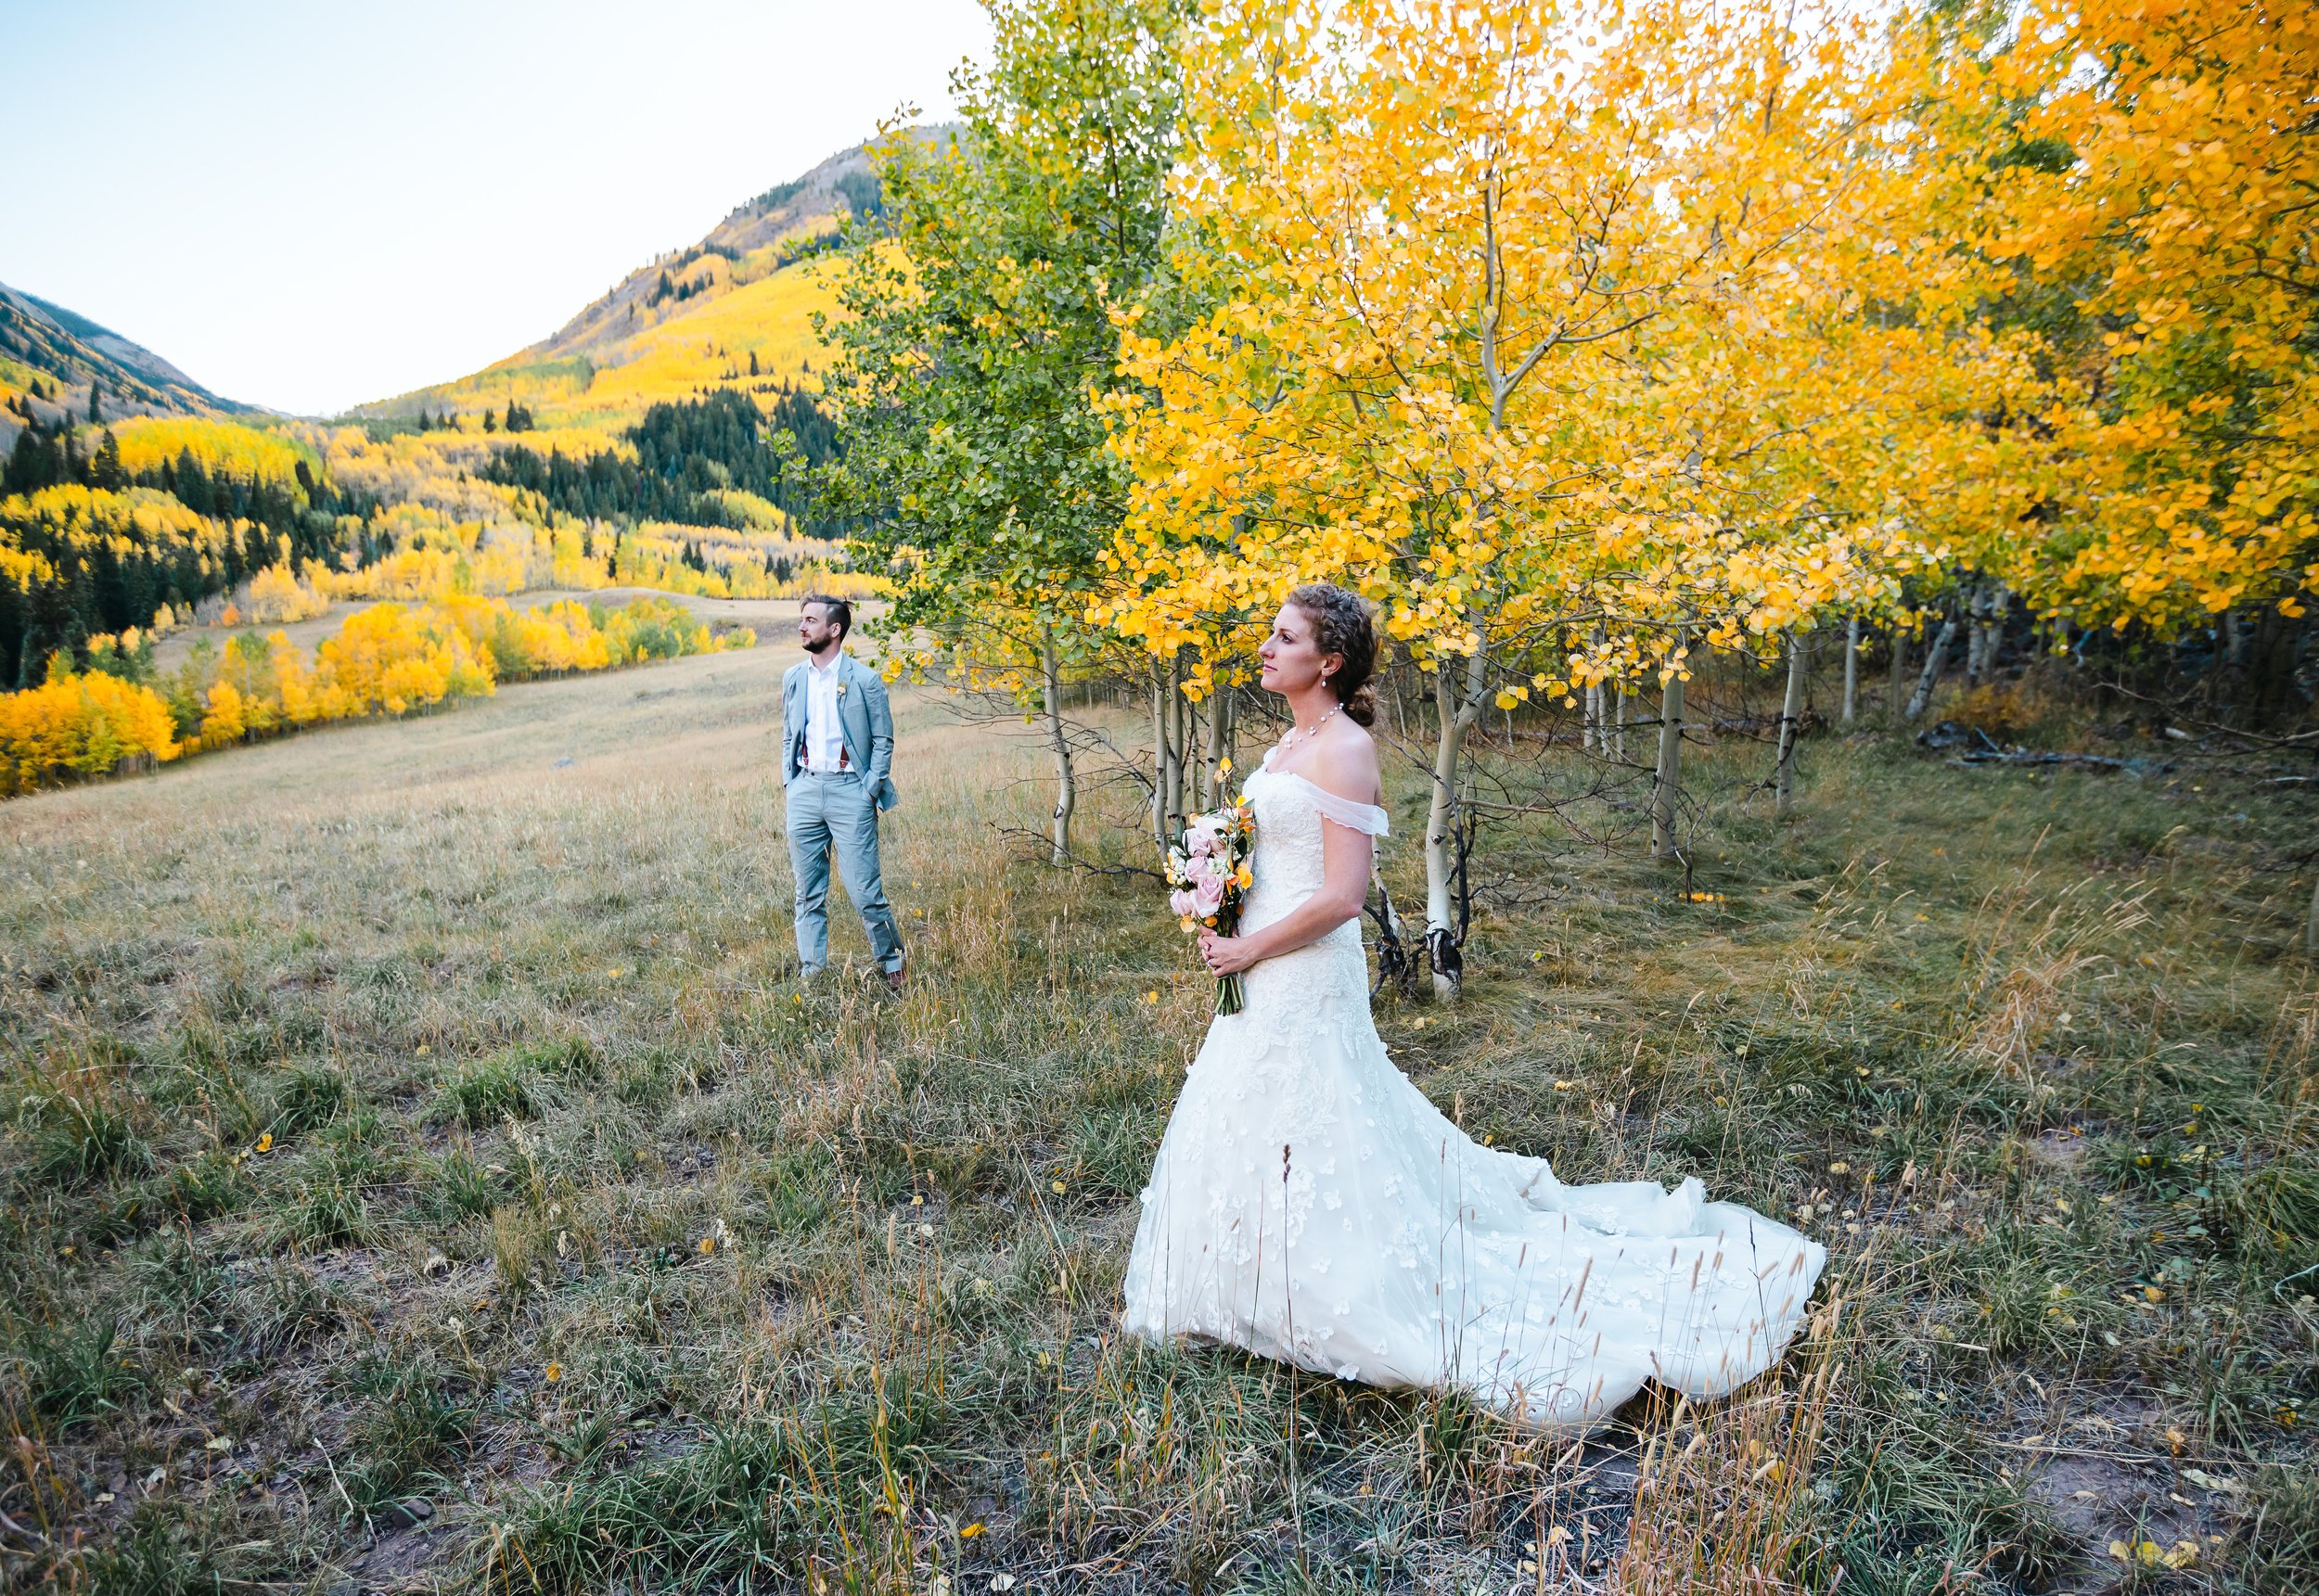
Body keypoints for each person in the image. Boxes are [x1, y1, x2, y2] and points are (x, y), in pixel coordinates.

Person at [1120, 581, 1826, 1430]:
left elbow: (1345, 896)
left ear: (1329, 661)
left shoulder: (1343, 748)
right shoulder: (1286, 745)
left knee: (1317, 1117)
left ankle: (1330, 1291)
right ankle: (1237, 1283)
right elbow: (1273, 858)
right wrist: (1219, 898)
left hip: (1302, 969)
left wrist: (1248, 945)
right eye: (1271, 635)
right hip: (1264, 966)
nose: (1265, 648)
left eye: (1284, 637)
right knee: (1251, 1113)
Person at [779, 594, 905, 991]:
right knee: (807, 891)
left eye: (810, 620)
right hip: (805, 789)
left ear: (834, 630)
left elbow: (884, 740)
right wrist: (791, 781)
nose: (802, 626)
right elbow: (789, 732)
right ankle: (812, 970)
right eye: (801, 619)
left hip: (851, 791)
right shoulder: (793, 678)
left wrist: (870, 789)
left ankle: (892, 963)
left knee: (865, 891)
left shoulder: (865, 680)